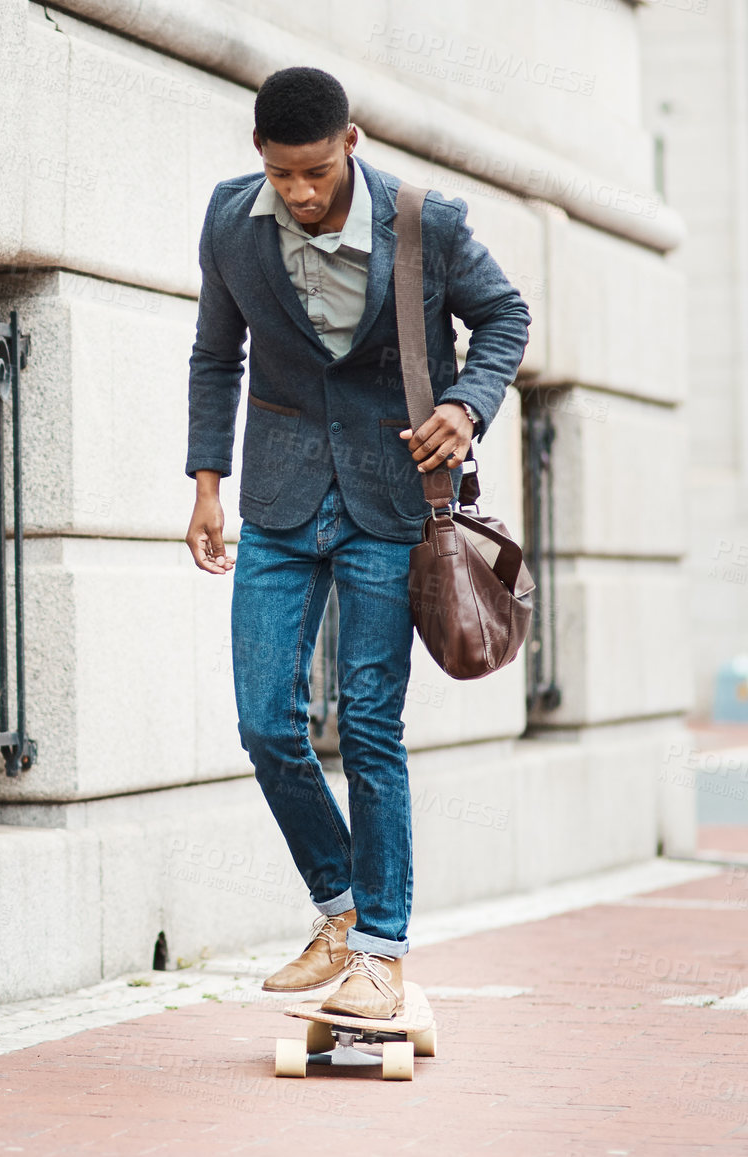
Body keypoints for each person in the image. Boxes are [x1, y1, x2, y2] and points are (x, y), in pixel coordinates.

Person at [183, 67, 530, 1018]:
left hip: (392, 500)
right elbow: (218, 355)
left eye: (316, 174)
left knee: (371, 724)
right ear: (259, 152)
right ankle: (339, 908)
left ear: (353, 143)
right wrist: (207, 487)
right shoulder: (229, 220)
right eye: (282, 174)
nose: (300, 193)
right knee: (264, 720)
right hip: (282, 496)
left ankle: (381, 950)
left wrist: (466, 406)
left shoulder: (426, 222)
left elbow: (505, 316)